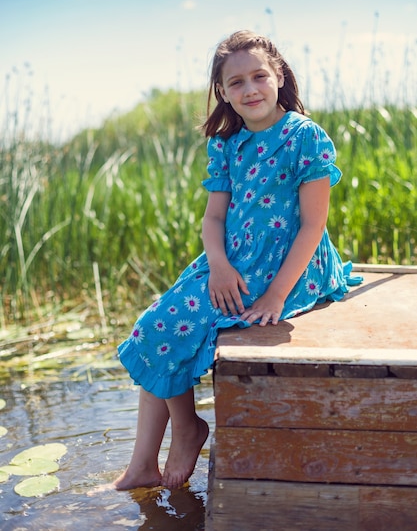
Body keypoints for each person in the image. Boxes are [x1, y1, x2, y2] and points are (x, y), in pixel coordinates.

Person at [113, 29, 360, 492]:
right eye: (237, 83)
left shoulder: (304, 137)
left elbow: (313, 226)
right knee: (154, 324)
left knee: (171, 327)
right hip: (236, 259)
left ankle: (186, 432)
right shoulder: (227, 144)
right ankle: (145, 463)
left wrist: (275, 295)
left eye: (259, 76)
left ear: (279, 76)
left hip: (292, 267)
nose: (250, 90)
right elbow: (213, 218)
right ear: (222, 93)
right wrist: (220, 265)